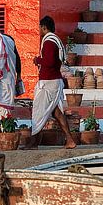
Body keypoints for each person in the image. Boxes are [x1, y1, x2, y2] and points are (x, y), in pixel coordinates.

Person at [30, 16, 75, 150]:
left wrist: (38, 60)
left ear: (44, 27)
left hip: (48, 82)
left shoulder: (49, 42)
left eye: (40, 27)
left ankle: (33, 143)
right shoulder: (55, 40)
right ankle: (70, 140)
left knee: (38, 111)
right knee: (57, 113)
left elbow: (49, 62)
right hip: (53, 80)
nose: (39, 30)